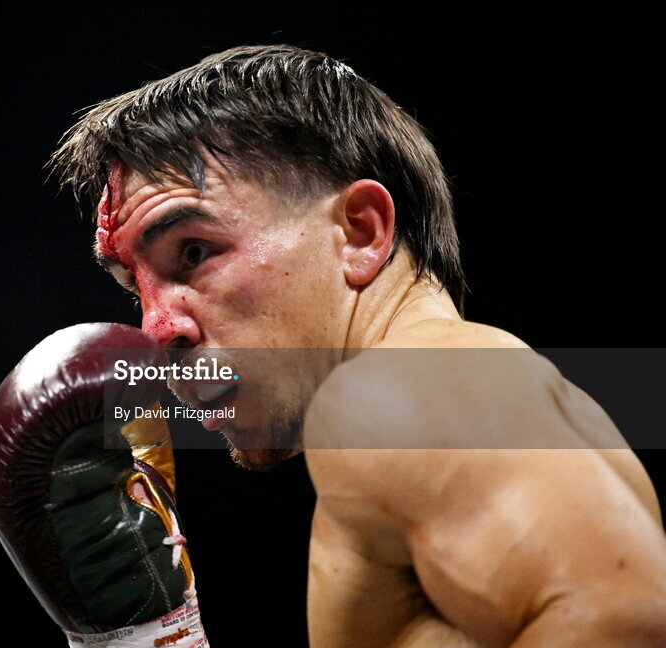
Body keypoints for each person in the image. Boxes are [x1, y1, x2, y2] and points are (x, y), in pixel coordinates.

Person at [38, 44, 666, 646]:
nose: (155, 330)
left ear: (360, 233)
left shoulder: (400, 387)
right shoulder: (459, 387)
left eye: (194, 251)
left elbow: (626, 617)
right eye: (133, 288)